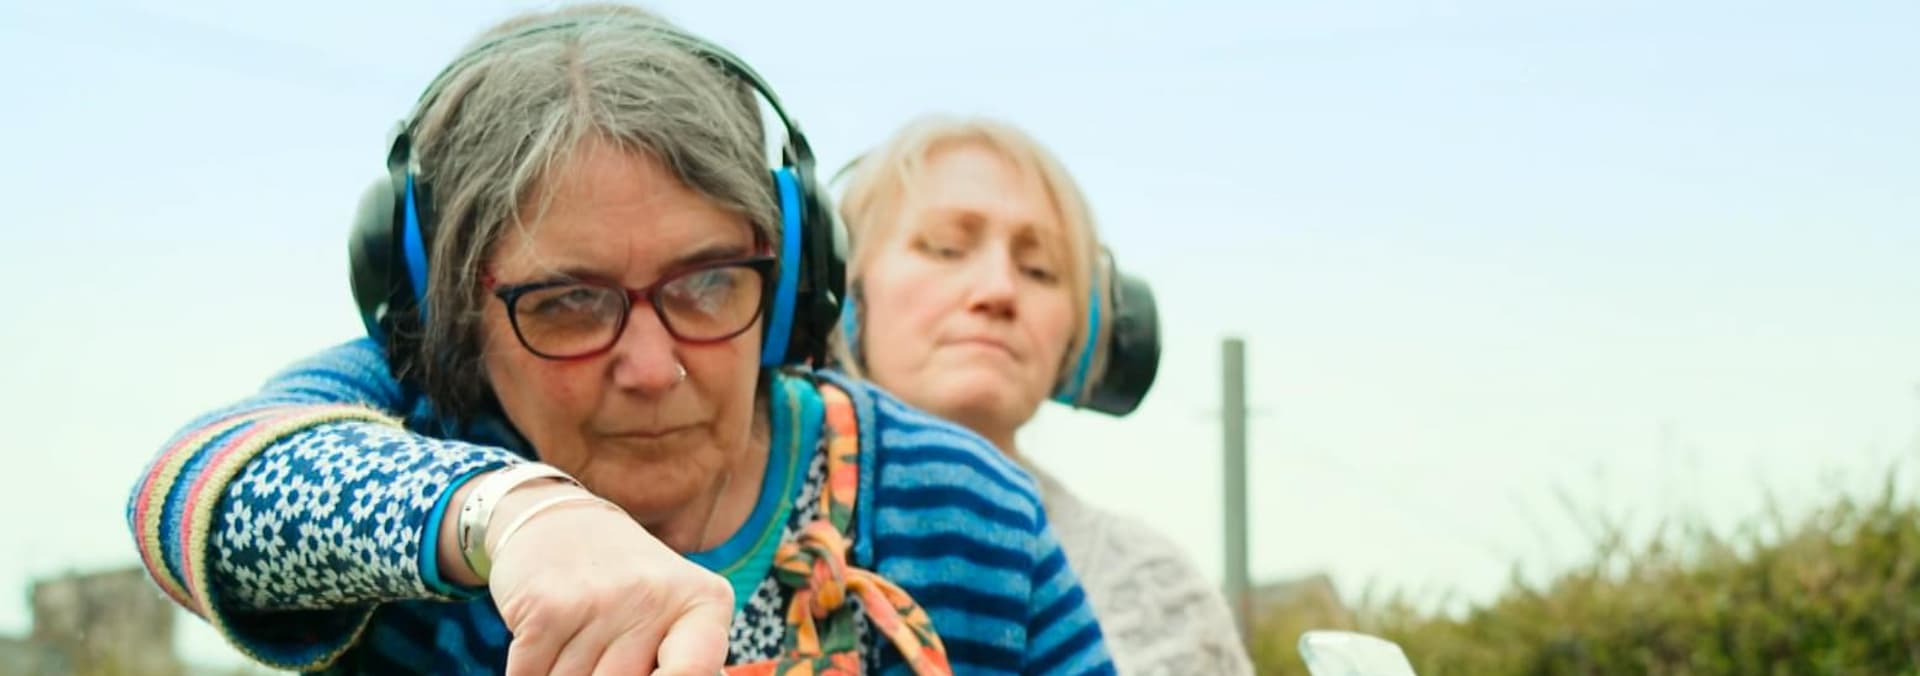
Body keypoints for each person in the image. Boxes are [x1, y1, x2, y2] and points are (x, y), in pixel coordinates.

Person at [124, 7, 1115, 675]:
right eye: (567, 302)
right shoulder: (415, 419)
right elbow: (189, 492)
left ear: (790, 276)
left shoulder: (973, 511)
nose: (652, 366)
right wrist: (511, 519)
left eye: (708, 283)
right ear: (449, 312)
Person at [830, 115, 1255, 675]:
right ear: (841, 287)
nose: (999, 289)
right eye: (946, 248)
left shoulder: (1161, 595)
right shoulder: (732, 522)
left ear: (1086, 331)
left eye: (1040, 270)